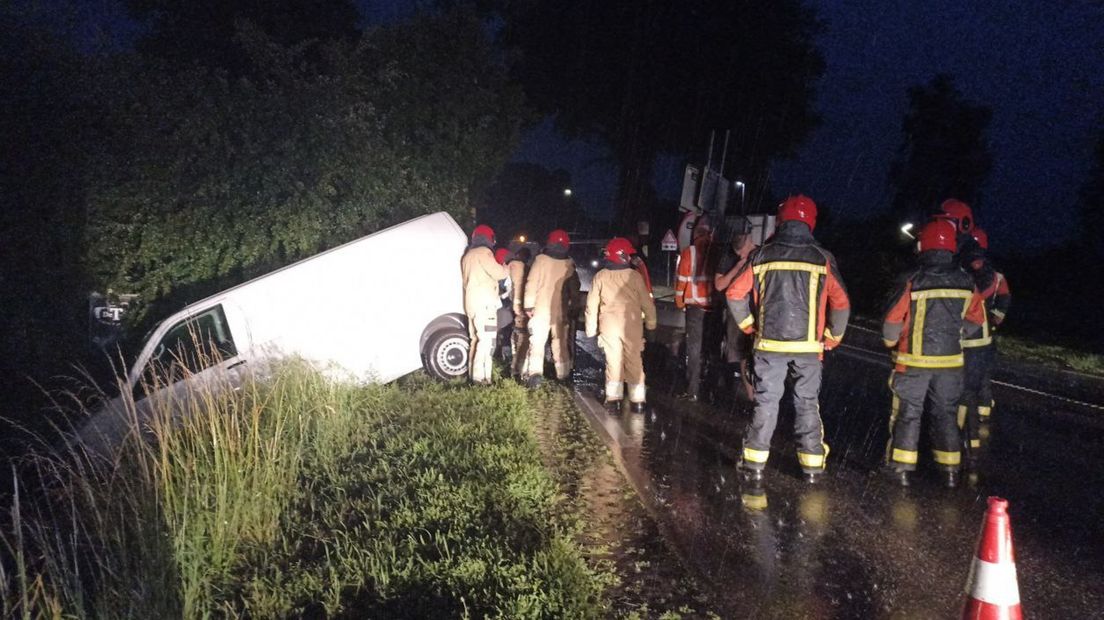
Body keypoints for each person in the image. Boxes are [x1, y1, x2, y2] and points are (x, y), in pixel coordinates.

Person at [725, 195, 850, 483]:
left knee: (767, 402)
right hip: (809, 348)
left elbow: (734, 293)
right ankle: (812, 466)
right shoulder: (823, 258)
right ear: (811, 222)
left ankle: (754, 463)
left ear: (780, 222)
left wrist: (749, 326)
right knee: (807, 402)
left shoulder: (761, 255)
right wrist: (832, 337)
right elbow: (841, 303)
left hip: (769, 345)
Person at [882, 219, 986, 488]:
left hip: (912, 362)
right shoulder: (966, 281)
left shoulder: (912, 280)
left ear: (923, 246)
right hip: (951, 364)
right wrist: (958, 334)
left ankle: (901, 469)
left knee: (908, 414)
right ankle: (950, 470)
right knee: (946, 414)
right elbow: (976, 318)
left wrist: (890, 343)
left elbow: (892, 321)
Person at [957, 227, 1011, 464]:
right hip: (984, 336)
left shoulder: (963, 276)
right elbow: (1005, 297)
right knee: (982, 376)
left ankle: (967, 428)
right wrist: (997, 317)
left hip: (969, 336)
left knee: (968, 382)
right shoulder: (994, 276)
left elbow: (1002, 298)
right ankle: (982, 413)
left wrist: (995, 315)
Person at [586, 237, 657, 412]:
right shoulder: (635, 277)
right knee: (634, 360)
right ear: (623, 255)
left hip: (608, 326)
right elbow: (647, 303)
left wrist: (590, 329)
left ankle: (613, 399)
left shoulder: (600, 276)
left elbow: (591, 305)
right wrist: (651, 324)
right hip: (632, 325)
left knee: (613, 361)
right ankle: (638, 400)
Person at [674, 216, 720, 401]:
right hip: (714, 308)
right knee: (712, 347)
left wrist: (679, 303)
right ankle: (712, 387)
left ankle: (693, 390)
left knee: (694, 348)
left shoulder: (689, 252)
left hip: (694, 307)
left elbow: (681, 282)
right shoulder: (717, 250)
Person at [524, 229, 577, 387]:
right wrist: (574, 305)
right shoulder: (570, 265)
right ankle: (563, 374)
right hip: (560, 310)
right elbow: (574, 288)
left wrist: (528, 305)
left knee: (537, 341)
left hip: (540, 309)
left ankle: (535, 374)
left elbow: (531, 283)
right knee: (560, 342)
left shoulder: (540, 261)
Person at [714, 217, 757, 400]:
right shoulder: (729, 256)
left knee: (758, 355)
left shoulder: (760, 254)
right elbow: (719, 285)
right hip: (738, 313)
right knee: (743, 354)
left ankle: (759, 398)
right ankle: (752, 397)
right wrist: (738, 267)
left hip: (759, 312)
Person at [461, 225, 508, 385]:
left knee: (475, 339)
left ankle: (475, 374)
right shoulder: (485, 253)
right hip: (485, 304)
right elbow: (499, 273)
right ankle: (480, 378)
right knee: (487, 341)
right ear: (489, 238)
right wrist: (505, 267)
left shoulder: (467, 256)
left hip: (471, 304)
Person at [507, 246, 532, 378]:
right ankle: (518, 371)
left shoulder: (509, 265)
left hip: (508, 307)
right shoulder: (527, 269)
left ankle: (514, 368)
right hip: (522, 309)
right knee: (522, 340)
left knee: (515, 337)